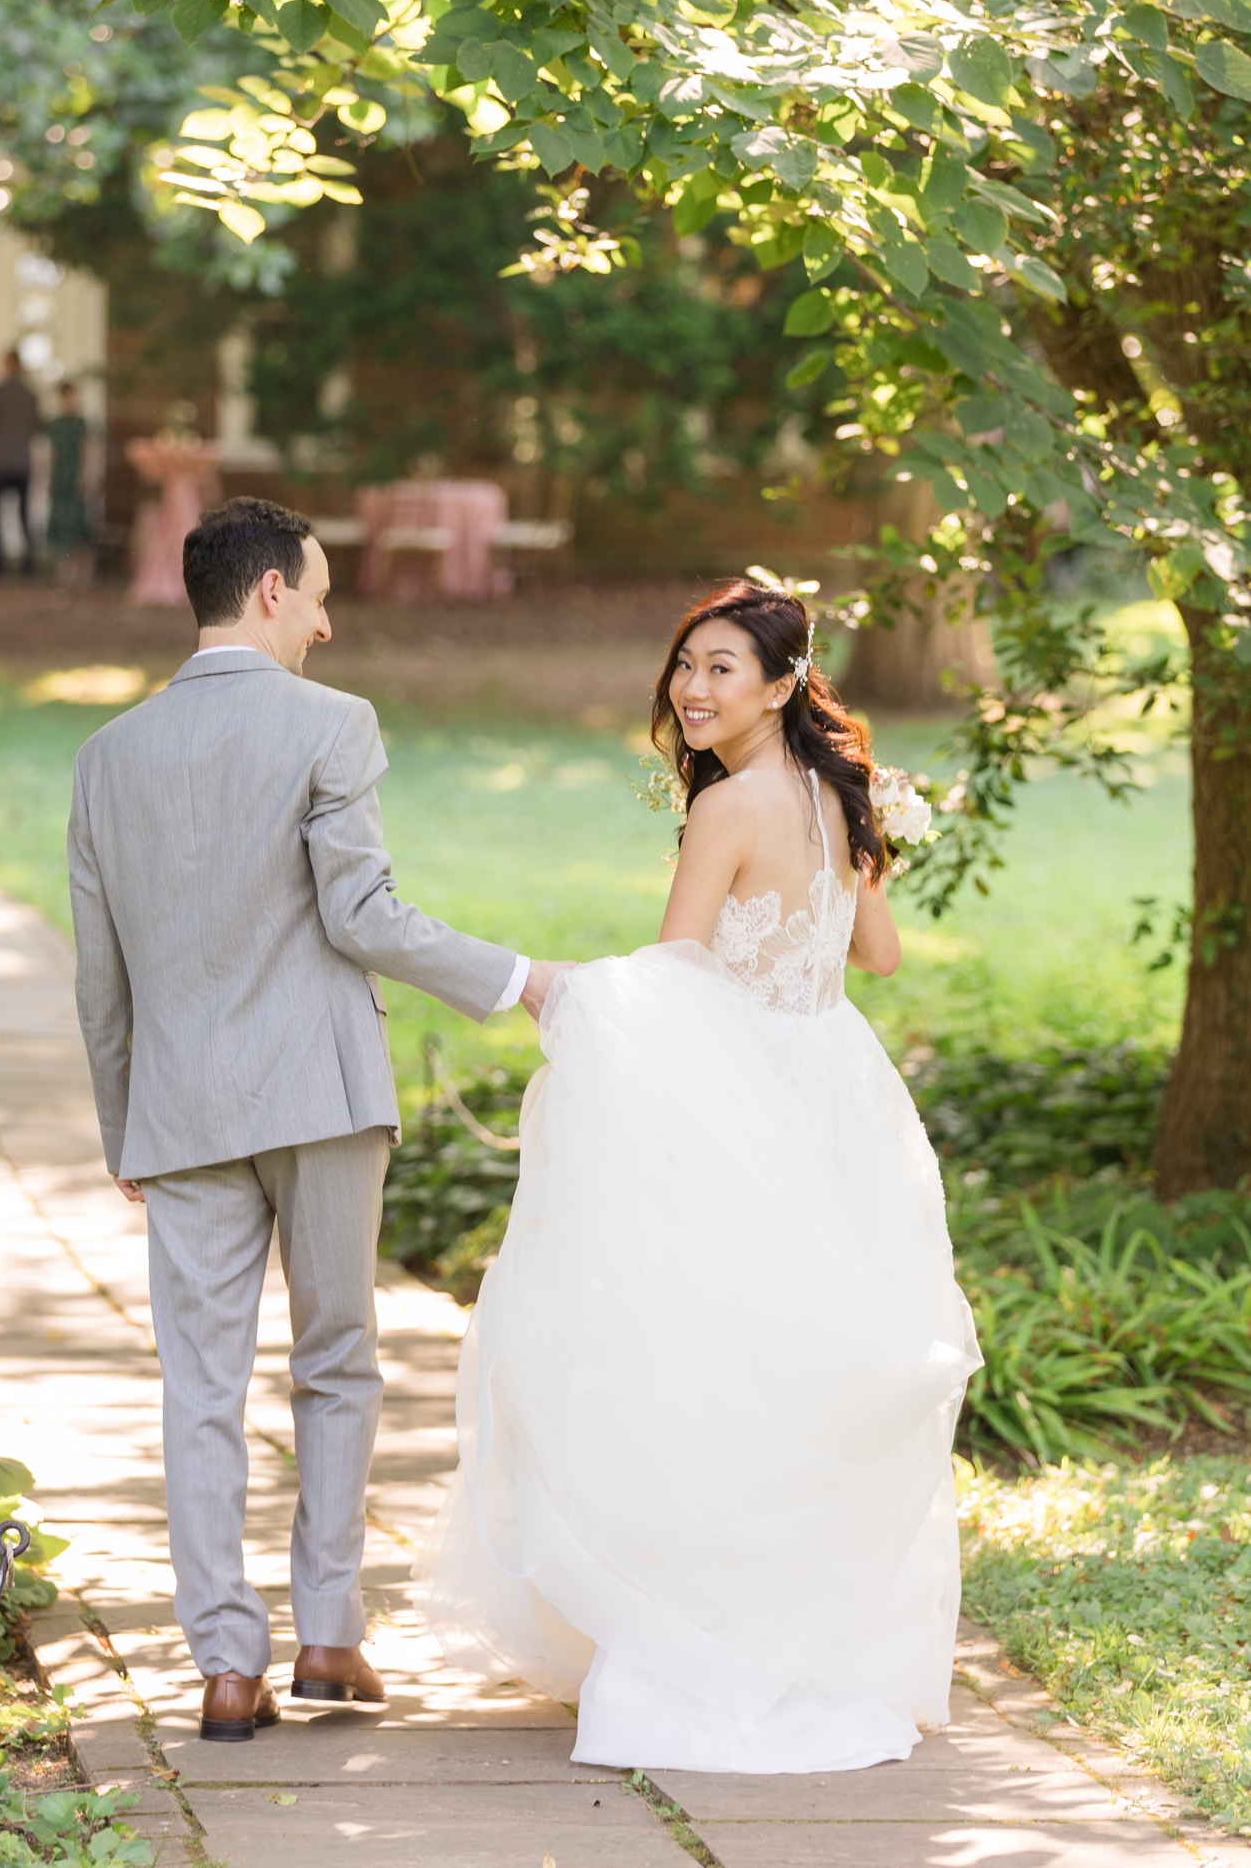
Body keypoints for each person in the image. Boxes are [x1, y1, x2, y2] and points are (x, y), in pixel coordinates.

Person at [416, 579, 982, 1775]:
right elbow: (874, 953)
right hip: (838, 1086)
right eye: (687, 665)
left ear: (782, 683)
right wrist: (865, 856)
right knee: (805, 1359)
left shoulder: (728, 807)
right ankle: (817, 1635)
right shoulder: (845, 795)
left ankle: (710, 1631)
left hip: (747, 1091)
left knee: (717, 1361)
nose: (693, 688)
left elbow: (674, 979)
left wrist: (575, 995)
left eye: (723, 667)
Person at [67, 496, 566, 1744]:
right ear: (272, 591)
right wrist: (518, 978)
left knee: (200, 1385)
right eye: (324, 594)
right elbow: (361, 915)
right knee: (336, 1360)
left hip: (177, 1109)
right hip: (322, 1092)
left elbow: (98, 971)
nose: (332, 624)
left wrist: (124, 1118)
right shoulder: (332, 726)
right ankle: (330, 1639)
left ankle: (225, 1668)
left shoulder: (106, 755)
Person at [0, 348, 40, 575]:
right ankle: (27, 562)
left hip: (1, 462)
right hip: (21, 462)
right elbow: (36, 426)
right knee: (24, 515)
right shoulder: (29, 394)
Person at [43, 381, 92, 584]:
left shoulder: (80, 423)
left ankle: (82, 572)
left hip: (75, 476)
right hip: (60, 475)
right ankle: (64, 572)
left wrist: (84, 475)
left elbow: (87, 451)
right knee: (61, 524)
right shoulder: (55, 424)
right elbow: (52, 453)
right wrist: (50, 478)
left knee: (77, 525)